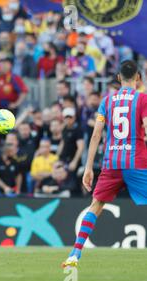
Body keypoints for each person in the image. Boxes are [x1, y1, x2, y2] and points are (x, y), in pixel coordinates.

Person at [62, 60, 147, 268]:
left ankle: (74, 254)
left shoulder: (107, 101)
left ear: (118, 78)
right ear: (138, 77)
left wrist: (89, 167)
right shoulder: (143, 99)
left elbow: (96, 135)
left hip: (111, 163)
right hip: (136, 161)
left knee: (96, 205)